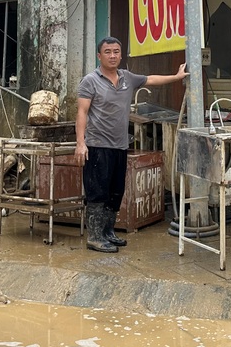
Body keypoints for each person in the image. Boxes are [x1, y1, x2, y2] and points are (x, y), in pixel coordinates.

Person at [75, 37, 188, 252]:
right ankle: (95, 237)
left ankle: (108, 232)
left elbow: (151, 79)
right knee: (97, 192)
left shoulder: (127, 78)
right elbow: (82, 112)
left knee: (116, 191)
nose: (112, 55)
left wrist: (176, 77)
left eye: (116, 51)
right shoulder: (90, 80)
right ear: (99, 56)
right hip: (98, 145)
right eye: (107, 52)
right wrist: (81, 143)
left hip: (120, 146)